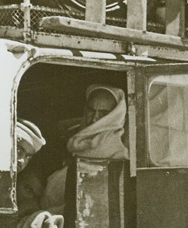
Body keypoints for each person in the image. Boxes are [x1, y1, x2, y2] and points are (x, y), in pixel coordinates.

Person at [41, 86, 128, 214]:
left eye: (103, 114)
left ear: (114, 116)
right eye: (91, 110)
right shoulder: (77, 143)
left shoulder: (117, 154)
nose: (93, 119)